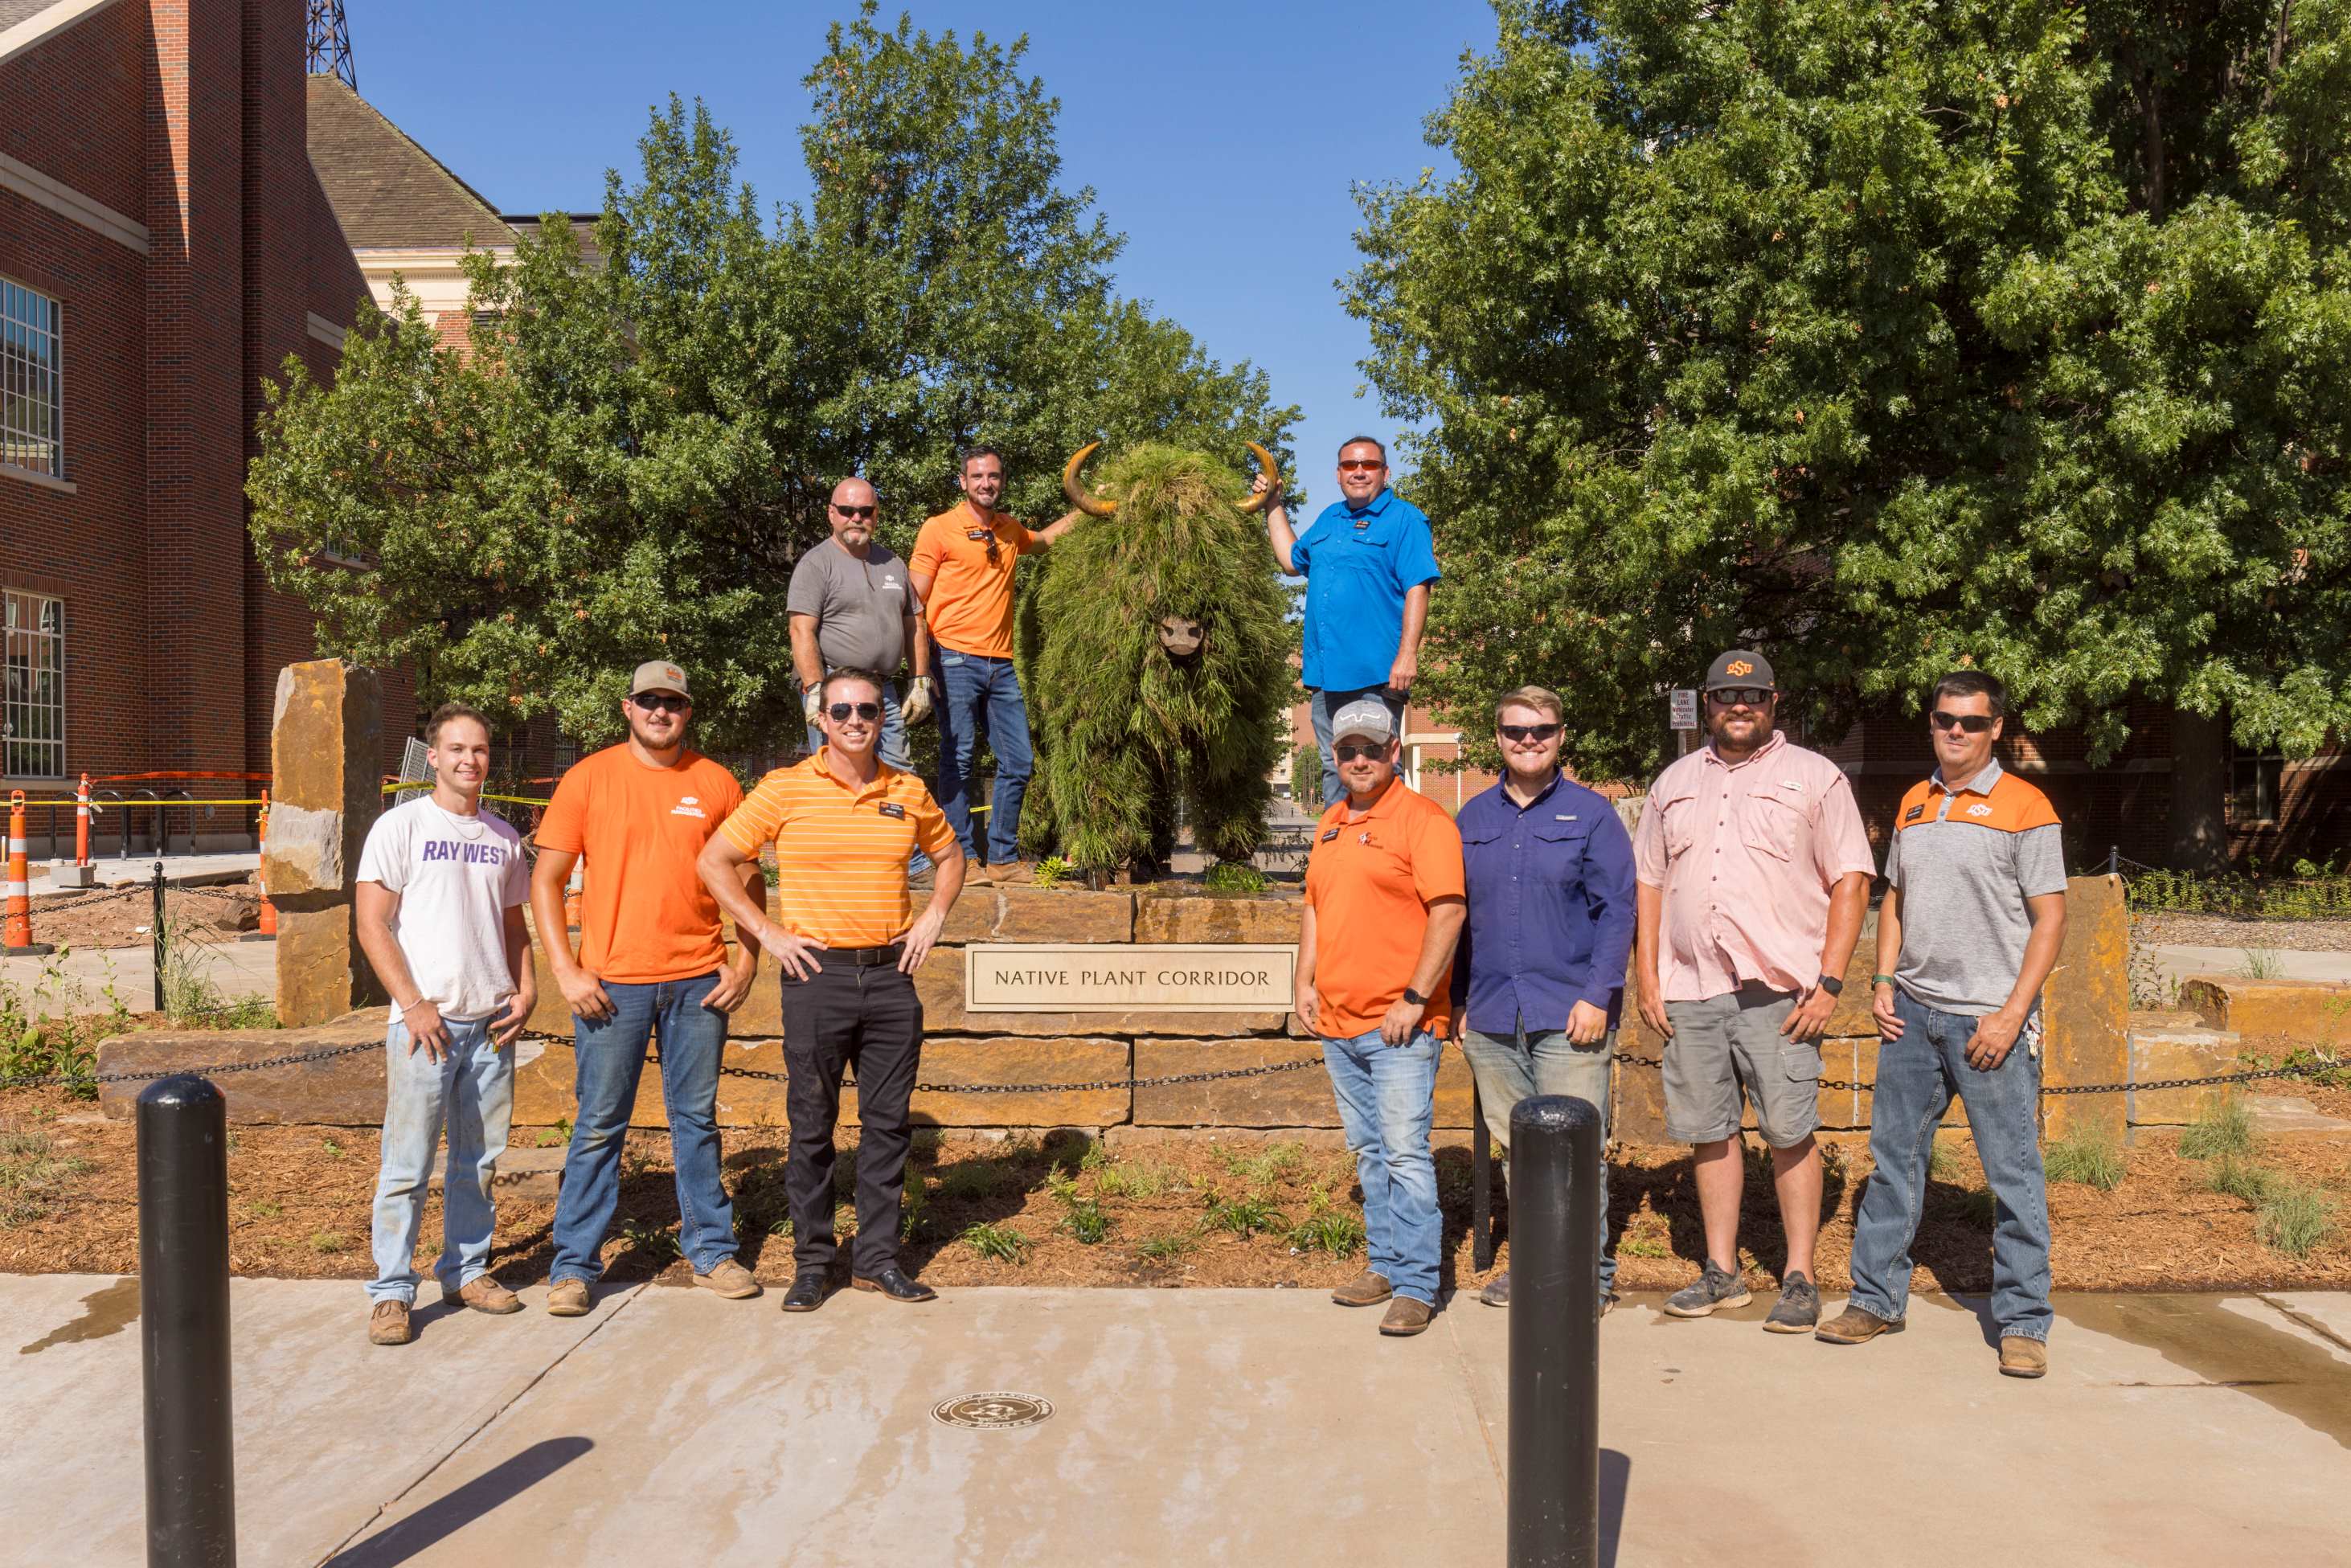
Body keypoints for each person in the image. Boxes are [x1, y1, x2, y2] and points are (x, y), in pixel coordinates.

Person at [1820, 670, 2067, 1378]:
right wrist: (1881, 979)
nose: (1954, 731)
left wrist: (2011, 1012)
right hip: (1912, 1018)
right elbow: (1894, 897)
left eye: (1970, 721)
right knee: (1892, 1165)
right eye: (1942, 719)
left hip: (1988, 1021)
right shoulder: (1912, 801)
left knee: (2011, 1173)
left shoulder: (2027, 805)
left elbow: (2050, 919)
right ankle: (1874, 1298)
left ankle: (2022, 1320)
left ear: (1995, 729)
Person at [698, 667, 966, 1312]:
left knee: (886, 1126)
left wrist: (932, 917)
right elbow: (714, 861)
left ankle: (875, 1260)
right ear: (821, 718)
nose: (854, 720)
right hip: (814, 976)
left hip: (890, 975)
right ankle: (813, 1263)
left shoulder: (908, 789)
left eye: (866, 710)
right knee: (812, 1124)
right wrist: (765, 931)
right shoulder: (785, 788)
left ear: (882, 718)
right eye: (840, 709)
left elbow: (953, 857)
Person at [1633, 650, 1874, 1333]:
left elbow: (1850, 881)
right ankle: (1721, 1271)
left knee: (1789, 1130)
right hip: (1692, 986)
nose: (1740, 708)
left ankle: (1799, 1274)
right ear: (1707, 703)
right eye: (1725, 697)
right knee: (1709, 1133)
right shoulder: (1674, 781)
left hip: (1781, 992)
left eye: (1754, 697)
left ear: (1774, 703)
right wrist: (1648, 975)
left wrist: (1828, 983)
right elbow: (1647, 880)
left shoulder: (1814, 777)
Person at [534, 660, 764, 1315]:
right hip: (612, 984)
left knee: (695, 1120)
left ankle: (712, 1251)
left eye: (673, 702)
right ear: (628, 707)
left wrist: (745, 962)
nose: (661, 711)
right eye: (649, 701)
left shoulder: (716, 782)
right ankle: (574, 1265)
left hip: (697, 981)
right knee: (600, 1124)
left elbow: (748, 880)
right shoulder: (588, 778)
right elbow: (546, 880)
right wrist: (566, 969)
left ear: (687, 711)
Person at [354, 702, 535, 1346]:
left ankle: (466, 1269)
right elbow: (372, 923)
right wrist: (413, 1001)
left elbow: (514, 925)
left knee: (478, 1160)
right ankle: (392, 1291)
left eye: (480, 750)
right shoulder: (400, 827)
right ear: (433, 757)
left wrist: (527, 985)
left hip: (490, 1023)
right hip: (423, 1027)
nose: (469, 760)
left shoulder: (504, 837)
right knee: (406, 1163)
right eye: (456, 749)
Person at [1454, 686, 1636, 1312]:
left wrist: (1597, 995)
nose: (1527, 741)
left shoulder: (1592, 815)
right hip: (1491, 1014)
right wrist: (1455, 1001)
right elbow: (1457, 921)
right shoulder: (1471, 818)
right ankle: (1536, 1266)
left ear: (1561, 736)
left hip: (1569, 1014)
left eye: (1541, 730)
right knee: (1517, 1150)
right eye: (1514, 731)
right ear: (1497, 737)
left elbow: (1618, 913)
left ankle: (1590, 1278)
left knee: (1577, 1151)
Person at [1297, 697, 1466, 1338]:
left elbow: (1448, 911)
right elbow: (1315, 905)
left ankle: (1417, 1284)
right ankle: (1385, 1263)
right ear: (1334, 757)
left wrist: (1416, 998)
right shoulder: (1331, 821)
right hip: (1338, 1021)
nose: (1360, 759)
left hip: (1399, 1024)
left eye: (1372, 747)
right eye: (1348, 750)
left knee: (1402, 1153)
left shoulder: (1422, 820)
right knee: (1369, 1151)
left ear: (1395, 751)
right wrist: (1303, 980)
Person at [907, 444, 1089, 882]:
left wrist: (1091, 502)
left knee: (1019, 761)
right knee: (960, 760)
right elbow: (912, 602)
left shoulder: (1009, 529)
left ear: (1001, 481)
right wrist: (919, 671)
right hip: (952, 658)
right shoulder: (938, 529)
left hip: (1001, 665)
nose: (986, 483)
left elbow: (1045, 540)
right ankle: (962, 859)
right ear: (963, 482)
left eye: (993, 477)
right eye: (977, 477)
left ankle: (1003, 858)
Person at [1259, 436, 1440, 805]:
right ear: (1338, 474)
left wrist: (1408, 654)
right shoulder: (1330, 517)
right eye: (1350, 466)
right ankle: (1338, 854)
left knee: (1378, 766)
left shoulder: (1405, 519)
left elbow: (1418, 588)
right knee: (1334, 766)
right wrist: (1273, 504)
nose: (1359, 472)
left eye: (1369, 465)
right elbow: (1292, 562)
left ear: (1385, 472)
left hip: (1376, 675)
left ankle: (1388, 857)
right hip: (1326, 678)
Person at [788, 477, 934, 765]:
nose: (857, 518)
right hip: (835, 688)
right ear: (832, 513)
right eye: (847, 511)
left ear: (876, 515)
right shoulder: (816, 564)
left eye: (865, 512)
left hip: (883, 690)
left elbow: (914, 624)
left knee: (897, 772)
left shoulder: (893, 563)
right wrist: (816, 689)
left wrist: (920, 682)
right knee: (837, 776)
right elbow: (800, 630)